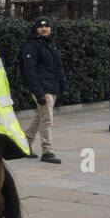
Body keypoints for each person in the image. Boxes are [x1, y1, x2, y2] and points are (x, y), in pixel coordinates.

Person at [21, 17, 69, 163]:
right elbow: (30, 71)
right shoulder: (31, 46)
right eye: (41, 27)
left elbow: (58, 67)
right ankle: (47, 151)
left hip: (51, 86)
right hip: (42, 87)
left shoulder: (50, 44)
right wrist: (39, 92)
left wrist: (64, 86)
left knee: (41, 117)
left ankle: (24, 145)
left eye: (47, 26)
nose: (44, 29)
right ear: (36, 29)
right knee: (47, 119)